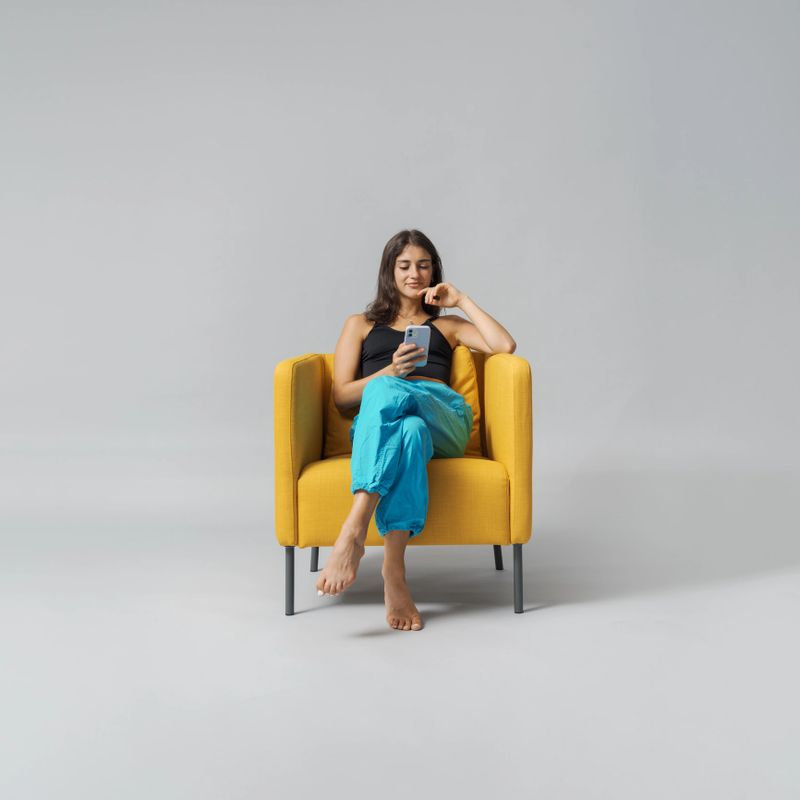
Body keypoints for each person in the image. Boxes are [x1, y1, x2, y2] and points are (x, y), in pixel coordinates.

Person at [315, 229, 516, 631]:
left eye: (424, 265)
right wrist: (391, 371)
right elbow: (340, 397)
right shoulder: (360, 325)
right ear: (389, 271)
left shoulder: (449, 328)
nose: (414, 274)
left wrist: (460, 301)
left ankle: (354, 528)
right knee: (407, 431)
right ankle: (394, 574)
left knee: (397, 398)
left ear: (434, 272)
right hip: (389, 427)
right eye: (404, 265)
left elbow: (504, 345)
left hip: (443, 419)